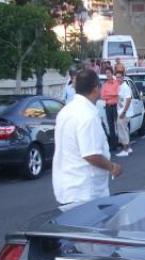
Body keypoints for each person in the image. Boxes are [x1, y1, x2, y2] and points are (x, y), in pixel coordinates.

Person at [52, 69, 122, 207]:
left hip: (67, 188)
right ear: (96, 88)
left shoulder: (66, 111)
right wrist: (112, 167)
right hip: (84, 192)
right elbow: (91, 154)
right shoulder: (87, 116)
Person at [100, 66, 120, 151]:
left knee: (118, 125)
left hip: (116, 106)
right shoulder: (104, 85)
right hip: (108, 107)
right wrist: (112, 94)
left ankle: (122, 142)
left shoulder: (116, 83)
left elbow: (117, 93)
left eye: (109, 73)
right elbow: (102, 96)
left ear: (112, 73)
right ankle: (113, 145)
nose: (107, 75)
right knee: (110, 126)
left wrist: (109, 94)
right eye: (106, 73)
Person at [114, 70, 133, 157]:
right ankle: (128, 148)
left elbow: (128, 100)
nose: (118, 79)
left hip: (124, 113)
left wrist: (124, 112)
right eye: (117, 77)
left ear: (123, 77)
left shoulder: (125, 87)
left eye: (119, 77)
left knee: (122, 130)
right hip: (120, 111)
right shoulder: (119, 86)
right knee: (124, 129)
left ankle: (125, 150)